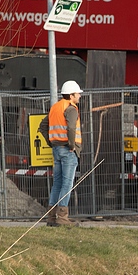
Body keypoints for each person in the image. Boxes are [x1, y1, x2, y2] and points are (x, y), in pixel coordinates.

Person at [40, 80, 82, 226]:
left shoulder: (55, 107)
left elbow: (42, 125)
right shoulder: (71, 108)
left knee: (57, 183)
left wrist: (51, 142)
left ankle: (51, 217)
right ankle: (63, 218)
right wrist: (71, 145)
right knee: (67, 183)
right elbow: (71, 128)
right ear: (71, 95)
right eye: (77, 94)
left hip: (57, 149)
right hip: (68, 150)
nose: (79, 96)